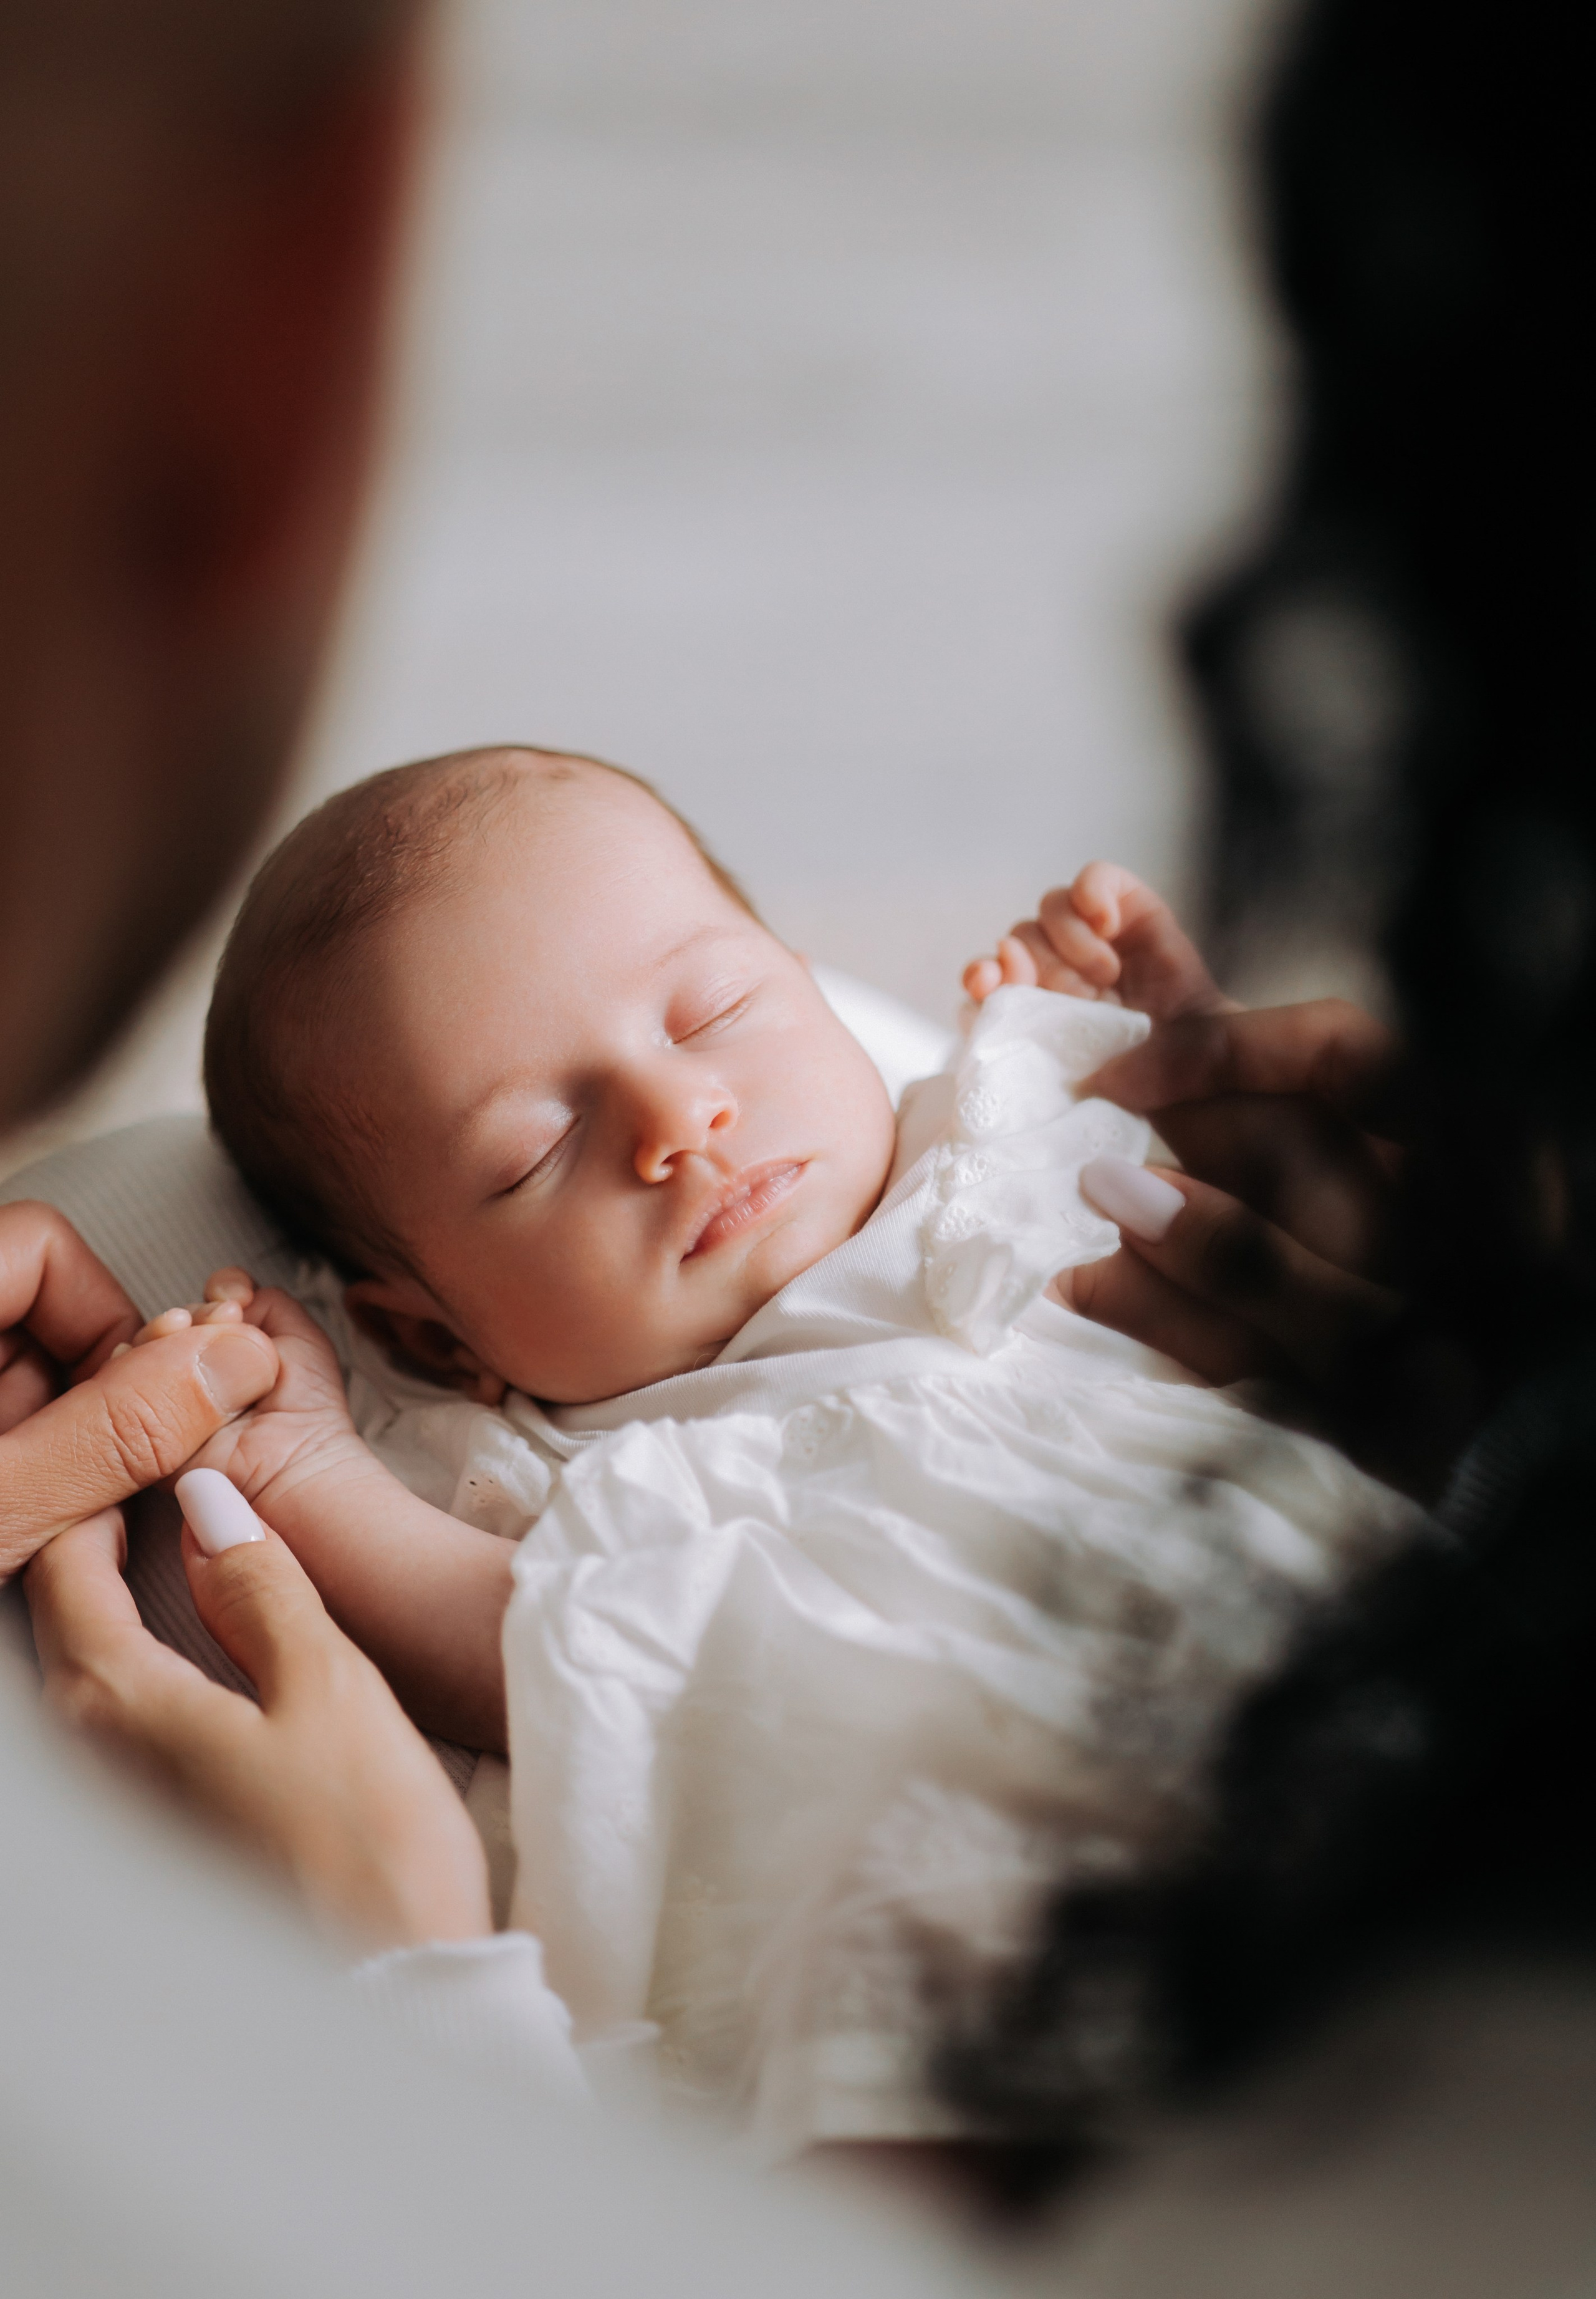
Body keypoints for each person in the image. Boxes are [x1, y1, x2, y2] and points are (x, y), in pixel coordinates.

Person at [87, 738, 1405, 2152]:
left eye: (713, 1009)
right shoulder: (588, 1469)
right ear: (429, 1335)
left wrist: (1181, 1061)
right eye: (533, 1153)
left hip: (1349, 1708)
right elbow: (540, 1649)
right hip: (950, 1937)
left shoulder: (1009, 1140)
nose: (676, 1117)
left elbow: (1302, 1270)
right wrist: (310, 1474)